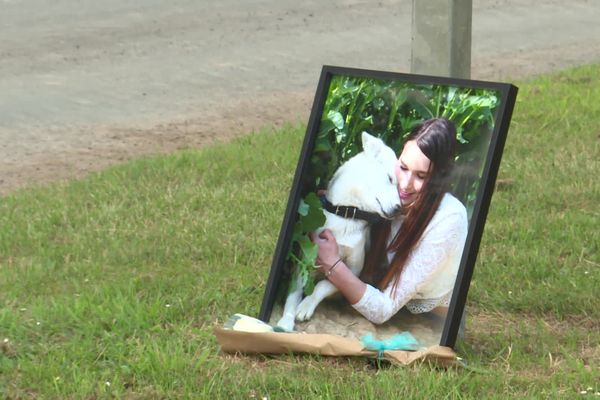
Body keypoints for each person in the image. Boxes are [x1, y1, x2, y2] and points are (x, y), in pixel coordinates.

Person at [310, 118, 468, 324]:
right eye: (403, 167)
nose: (405, 184)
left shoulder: (449, 219)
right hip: (383, 300)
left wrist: (332, 263)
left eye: (421, 176)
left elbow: (382, 309)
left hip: (432, 320)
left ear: (438, 179)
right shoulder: (388, 192)